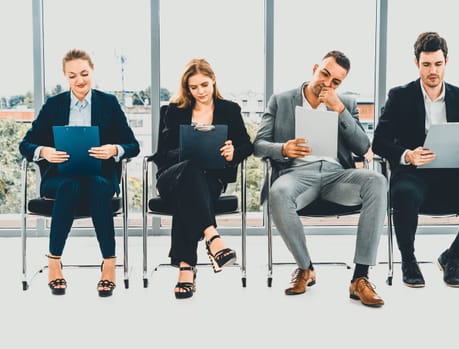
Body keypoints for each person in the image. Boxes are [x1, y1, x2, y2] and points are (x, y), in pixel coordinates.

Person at [253, 50, 387, 307]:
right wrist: (283, 149)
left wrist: (339, 110)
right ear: (315, 67)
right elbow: (259, 145)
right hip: (297, 175)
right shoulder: (281, 101)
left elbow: (362, 147)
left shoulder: (345, 104)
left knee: (377, 181)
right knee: (278, 192)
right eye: (324, 73)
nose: (327, 83)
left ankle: (360, 278)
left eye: (335, 81)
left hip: (337, 176)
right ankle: (305, 268)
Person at [372, 32, 459, 288]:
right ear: (416, 64)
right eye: (426, 64)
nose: (432, 71)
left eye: (437, 64)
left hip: (449, 175)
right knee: (404, 194)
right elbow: (379, 141)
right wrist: (407, 155)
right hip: (412, 173)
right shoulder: (400, 96)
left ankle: (452, 257)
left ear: (446, 61)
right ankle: (409, 261)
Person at [19, 49, 140, 297]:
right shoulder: (54, 105)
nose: (80, 80)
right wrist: (44, 152)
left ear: (92, 71)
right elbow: (26, 145)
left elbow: (133, 146)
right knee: (70, 185)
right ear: (65, 77)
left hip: (100, 178)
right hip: (59, 178)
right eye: (72, 75)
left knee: (94, 184)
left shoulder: (108, 103)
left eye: (84, 73)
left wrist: (113, 149)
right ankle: (54, 262)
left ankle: (109, 264)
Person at [152, 58, 253, 299]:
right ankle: (213, 237)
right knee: (190, 169)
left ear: (213, 80)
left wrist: (232, 152)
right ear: (186, 88)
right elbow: (162, 153)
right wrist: (188, 150)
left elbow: (247, 145)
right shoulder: (174, 111)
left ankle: (186, 268)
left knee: (188, 195)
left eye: (204, 85)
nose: (200, 92)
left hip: (210, 180)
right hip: (172, 177)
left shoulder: (229, 109)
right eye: (194, 87)